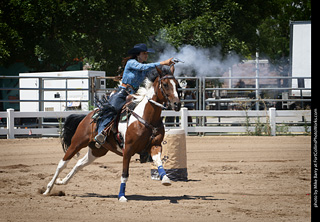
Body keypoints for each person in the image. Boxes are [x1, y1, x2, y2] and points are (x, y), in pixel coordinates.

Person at [95, 43, 174, 146]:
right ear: (138, 54)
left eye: (147, 53)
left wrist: (168, 66)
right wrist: (163, 62)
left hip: (135, 93)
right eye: (144, 53)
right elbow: (143, 67)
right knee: (112, 109)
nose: (146, 55)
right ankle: (102, 132)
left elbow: (153, 71)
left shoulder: (143, 67)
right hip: (123, 92)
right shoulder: (131, 62)